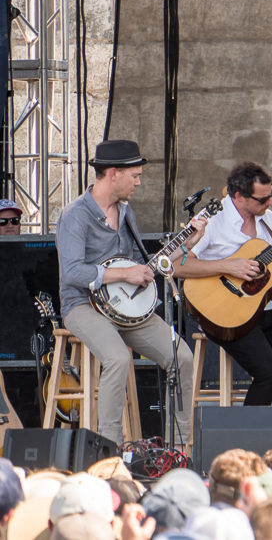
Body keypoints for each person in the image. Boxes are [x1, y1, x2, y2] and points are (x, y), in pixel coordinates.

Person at [55, 139, 200, 445]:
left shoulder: (126, 212)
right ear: (112, 174)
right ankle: (110, 449)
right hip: (81, 306)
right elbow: (72, 272)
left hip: (127, 310)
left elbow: (142, 266)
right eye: (134, 175)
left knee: (183, 356)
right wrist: (124, 273)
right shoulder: (75, 215)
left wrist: (186, 244)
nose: (138, 181)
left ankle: (179, 447)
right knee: (119, 358)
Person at [176, 162, 272, 408]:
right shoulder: (213, 219)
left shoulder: (268, 219)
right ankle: (248, 443)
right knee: (270, 372)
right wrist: (227, 266)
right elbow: (178, 266)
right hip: (223, 312)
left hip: (263, 309)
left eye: (270, 198)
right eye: (262, 199)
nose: (269, 204)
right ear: (239, 197)